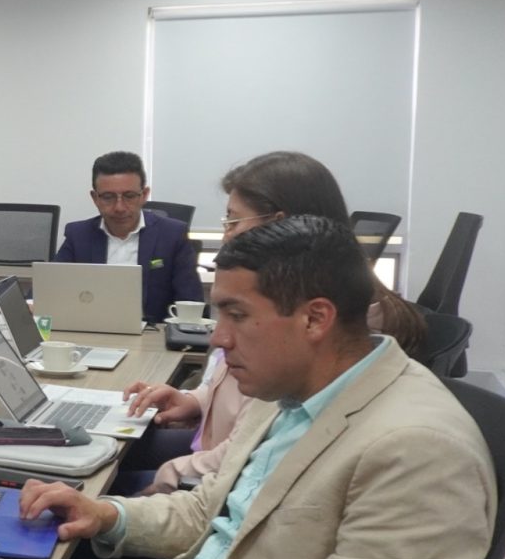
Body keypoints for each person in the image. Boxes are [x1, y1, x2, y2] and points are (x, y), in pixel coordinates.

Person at [14, 215, 493, 559]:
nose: (218, 339)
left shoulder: (417, 448)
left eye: (237, 315)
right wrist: (106, 515)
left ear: (315, 319)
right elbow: (207, 512)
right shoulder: (290, 385)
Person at [113, 151, 426, 495]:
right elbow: (239, 403)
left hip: (224, 479)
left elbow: (254, 450)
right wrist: (197, 400)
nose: (226, 235)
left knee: (105, 475)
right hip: (214, 452)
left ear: (279, 225)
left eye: (234, 221)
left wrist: (160, 483)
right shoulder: (280, 303)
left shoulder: (306, 331)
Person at [54, 151, 202, 325]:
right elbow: (49, 287)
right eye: (108, 197)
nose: (119, 207)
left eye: (129, 196)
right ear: (95, 198)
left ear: (144, 195)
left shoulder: (172, 235)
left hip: (152, 333)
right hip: (92, 329)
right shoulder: (79, 235)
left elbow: (191, 300)